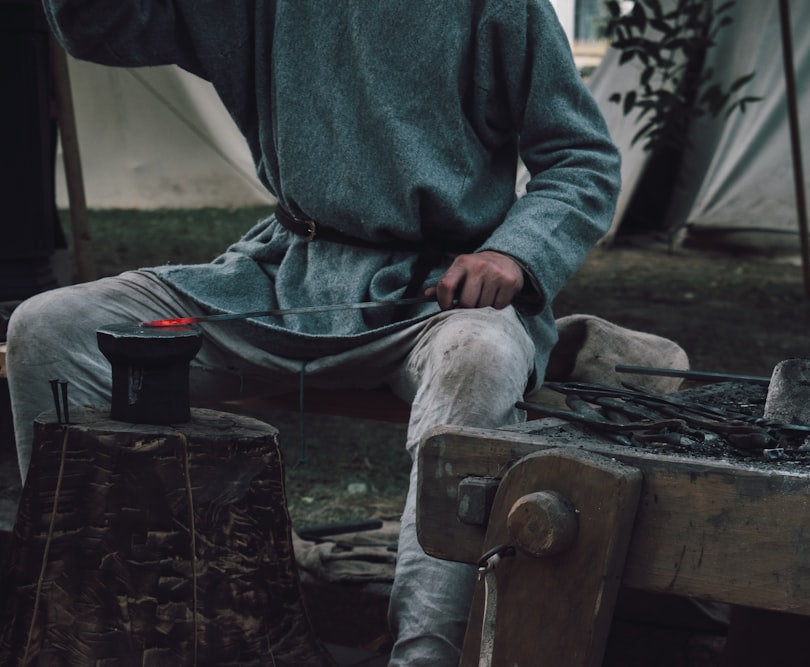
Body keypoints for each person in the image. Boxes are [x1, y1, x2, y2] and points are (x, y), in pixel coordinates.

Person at [7, 1, 620, 664]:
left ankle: (425, 651)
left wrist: (514, 254)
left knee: (483, 358)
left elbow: (581, 157)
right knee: (51, 331)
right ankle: (95, 625)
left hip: (433, 296)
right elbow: (100, 25)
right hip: (278, 284)